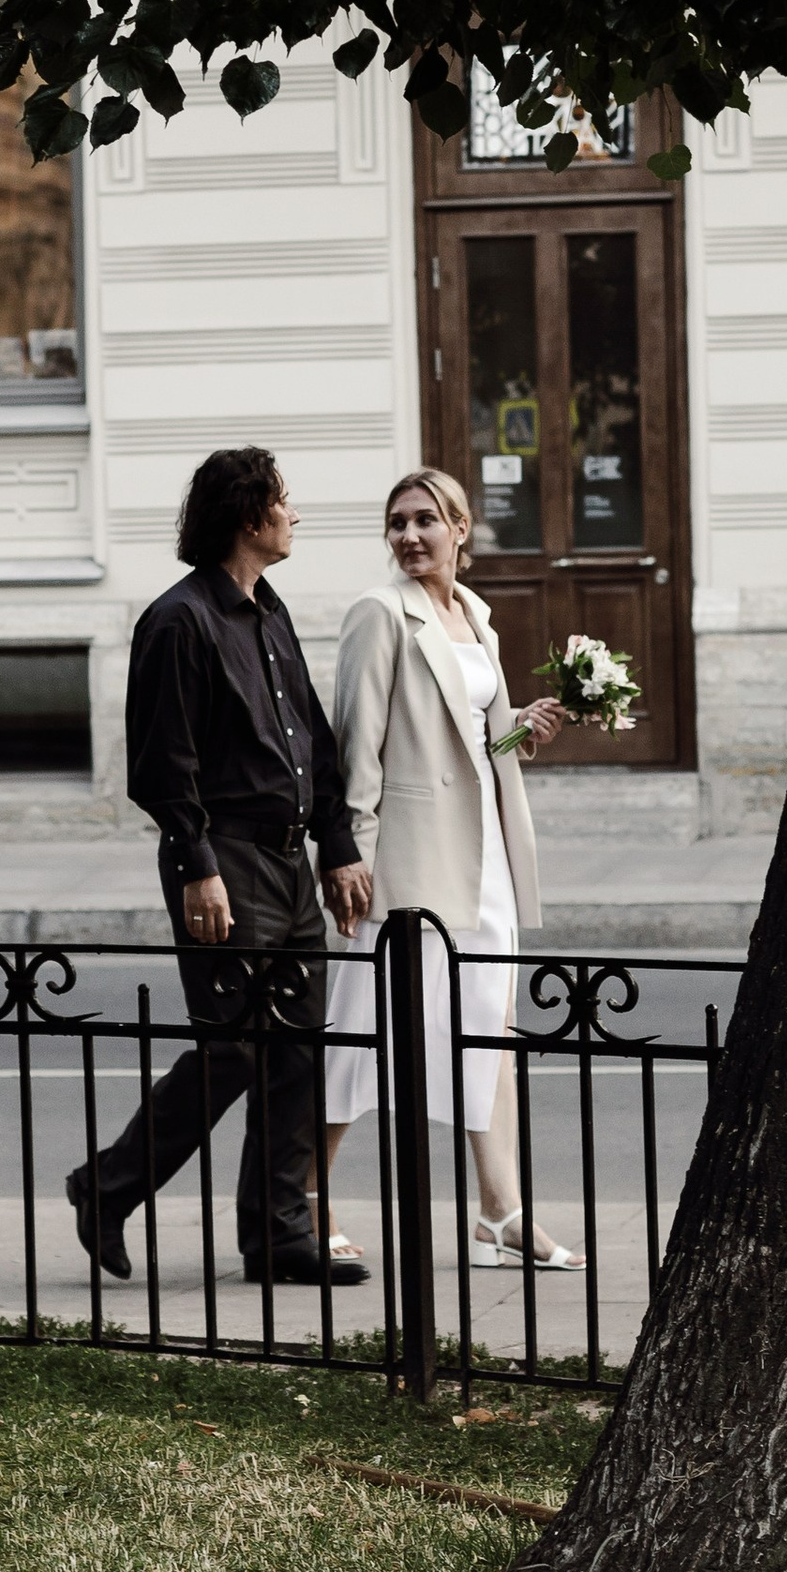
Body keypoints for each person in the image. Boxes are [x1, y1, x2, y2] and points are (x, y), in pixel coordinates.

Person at [69, 447, 375, 1287]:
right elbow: (162, 764)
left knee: (296, 1053)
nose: (295, 516)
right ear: (250, 517)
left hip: (288, 864)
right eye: (284, 502)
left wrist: (337, 845)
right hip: (224, 861)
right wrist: (197, 863)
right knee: (235, 1047)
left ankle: (279, 1238)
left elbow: (314, 740)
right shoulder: (179, 621)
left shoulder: (268, 612)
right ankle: (107, 1185)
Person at [321, 467, 579, 1268]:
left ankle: (499, 1213)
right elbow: (354, 747)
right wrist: (348, 858)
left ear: (461, 529)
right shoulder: (379, 613)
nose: (408, 536)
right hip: (404, 860)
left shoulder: (474, 615)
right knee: (362, 1029)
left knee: (489, 1031)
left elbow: (470, 744)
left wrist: (519, 732)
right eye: (396, 522)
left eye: (425, 520)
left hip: (485, 854)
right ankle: (303, 1196)